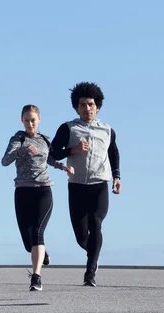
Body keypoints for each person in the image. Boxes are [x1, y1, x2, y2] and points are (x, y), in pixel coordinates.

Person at [50, 82, 121, 287]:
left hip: (99, 184)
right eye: (82, 104)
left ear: (97, 106)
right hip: (77, 185)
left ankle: (90, 272)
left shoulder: (107, 130)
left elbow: (113, 153)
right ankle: (93, 255)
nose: (87, 108)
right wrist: (73, 150)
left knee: (96, 224)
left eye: (90, 104)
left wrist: (117, 176)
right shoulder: (68, 128)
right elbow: (53, 153)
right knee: (81, 237)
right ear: (76, 107)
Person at [1, 104, 74, 291]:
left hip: (43, 190)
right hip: (23, 191)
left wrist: (63, 166)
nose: (30, 124)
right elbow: (5, 160)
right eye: (26, 120)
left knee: (37, 232)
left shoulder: (45, 140)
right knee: (28, 241)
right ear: (21, 121)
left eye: (33, 120)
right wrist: (22, 151)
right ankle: (42, 254)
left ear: (39, 119)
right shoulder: (18, 138)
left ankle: (36, 277)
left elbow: (48, 159)